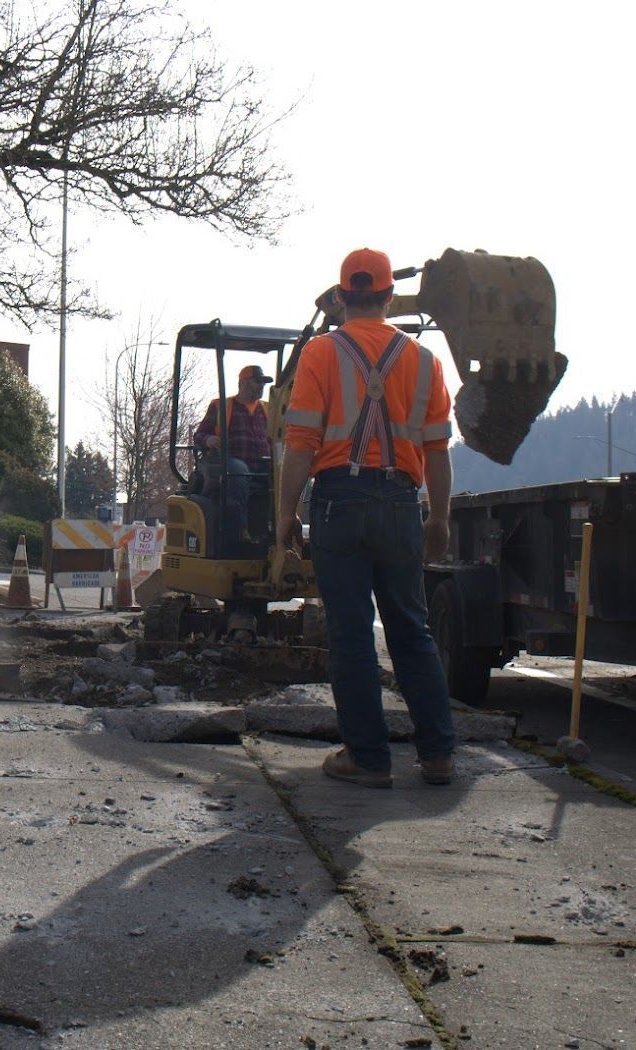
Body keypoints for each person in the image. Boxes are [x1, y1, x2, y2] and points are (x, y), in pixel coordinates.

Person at [276, 248, 456, 789]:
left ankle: (369, 759)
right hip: (402, 503)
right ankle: (439, 754)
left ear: (342, 296)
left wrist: (286, 513)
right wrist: (440, 518)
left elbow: (301, 442)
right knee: (412, 631)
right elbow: (439, 449)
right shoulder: (425, 361)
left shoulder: (319, 354)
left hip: (338, 502)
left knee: (352, 635)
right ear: (385, 296)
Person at [191, 364, 273, 546]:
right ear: (243, 383)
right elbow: (199, 435)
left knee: (281, 477)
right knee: (239, 471)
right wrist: (209, 439)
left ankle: (271, 531)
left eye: (263, 383)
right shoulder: (221, 406)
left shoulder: (267, 410)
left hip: (261, 465)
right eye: (257, 382)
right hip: (225, 463)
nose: (261, 387)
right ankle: (239, 530)